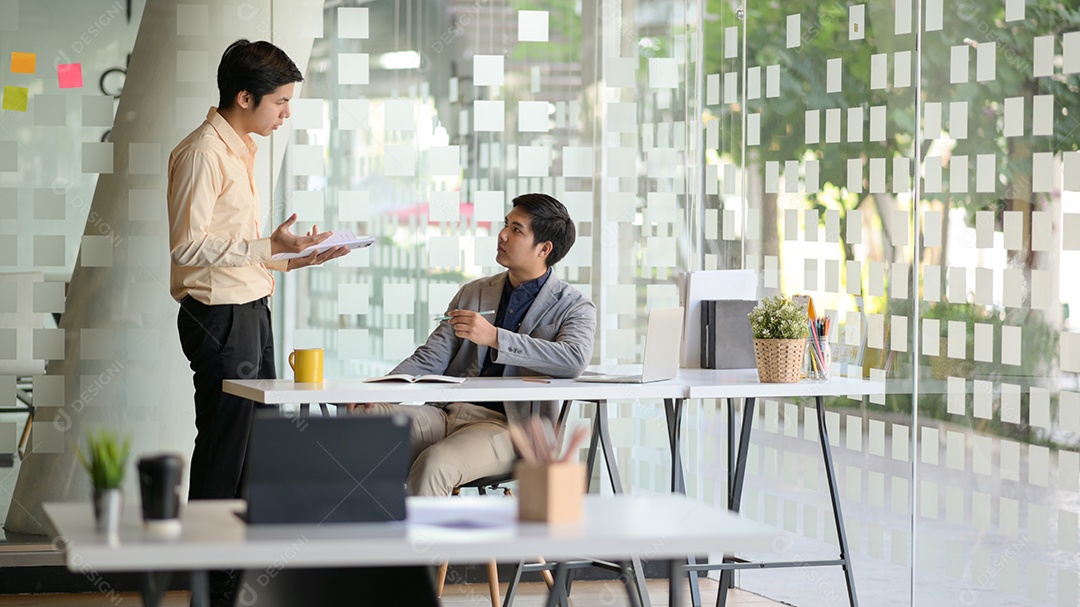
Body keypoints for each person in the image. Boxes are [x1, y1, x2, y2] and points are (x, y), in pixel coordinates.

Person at [167, 39, 349, 504]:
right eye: (281, 102)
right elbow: (188, 246)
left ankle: (239, 569)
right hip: (220, 316)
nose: (286, 114)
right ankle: (211, 570)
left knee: (256, 442)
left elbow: (232, 246)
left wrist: (293, 258)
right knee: (226, 443)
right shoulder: (204, 153)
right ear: (245, 97)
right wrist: (267, 244)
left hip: (248, 309)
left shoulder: (238, 149)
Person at [352, 193, 595, 497]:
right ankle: (355, 535)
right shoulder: (474, 292)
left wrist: (494, 337)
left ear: (544, 249)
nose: (502, 235)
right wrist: (376, 393)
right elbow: (431, 357)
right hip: (443, 413)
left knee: (436, 464)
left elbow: (573, 359)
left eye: (517, 230)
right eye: (506, 224)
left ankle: (428, 545)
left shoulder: (574, 306)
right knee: (359, 423)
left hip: (509, 429)